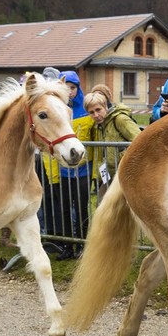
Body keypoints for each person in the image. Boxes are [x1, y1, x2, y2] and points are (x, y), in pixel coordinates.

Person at [57, 71, 95, 256]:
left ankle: (81, 243)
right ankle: (66, 245)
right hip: (63, 170)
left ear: (78, 88)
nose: (69, 92)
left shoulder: (87, 110)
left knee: (81, 208)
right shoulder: (58, 110)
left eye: (72, 88)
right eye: (66, 88)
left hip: (83, 169)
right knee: (64, 207)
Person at [84, 87, 140, 195]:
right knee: (101, 202)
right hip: (110, 174)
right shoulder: (99, 125)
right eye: (91, 112)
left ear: (105, 106)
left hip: (127, 174)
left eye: (98, 110)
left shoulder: (120, 119)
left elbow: (140, 140)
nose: (96, 115)